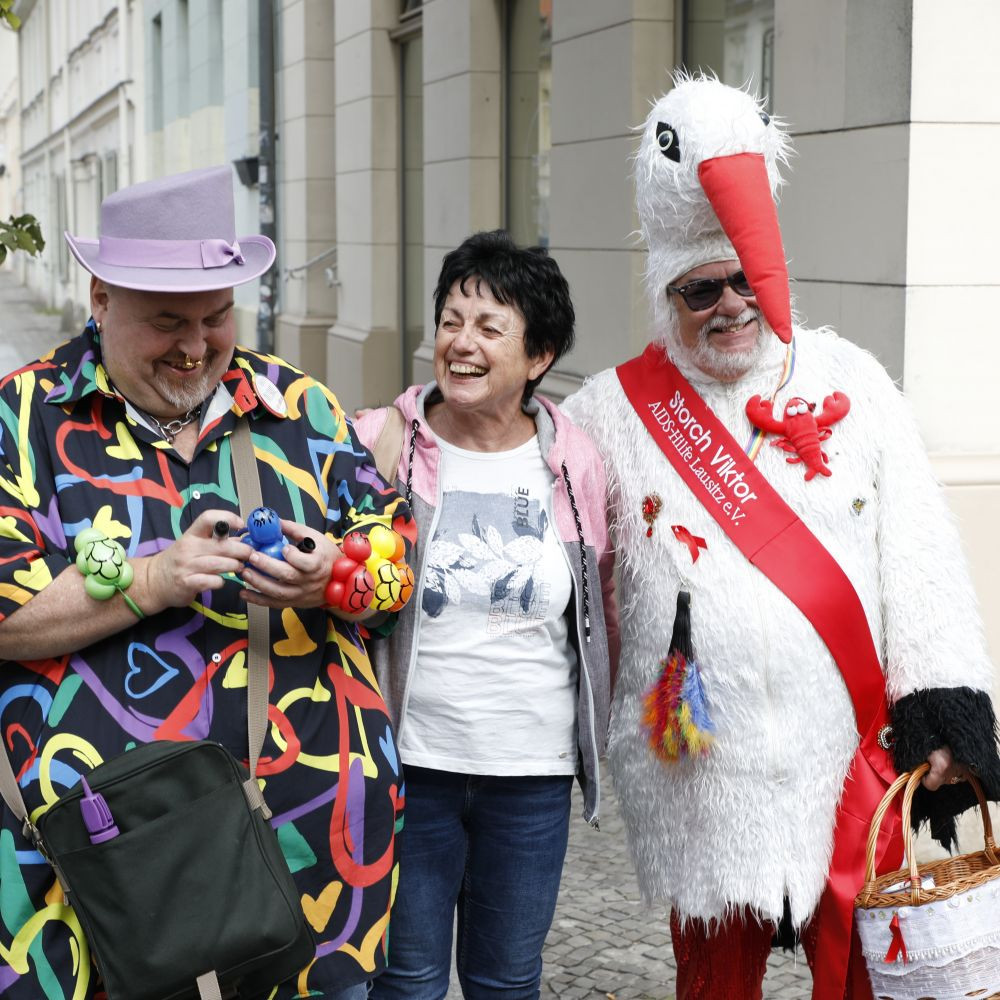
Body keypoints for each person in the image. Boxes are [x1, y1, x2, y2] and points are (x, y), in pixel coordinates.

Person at [561, 74, 1000, 1000]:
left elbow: (918, 559)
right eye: (700, 289)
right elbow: (565, 569)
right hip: (702, 780)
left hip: (851, 755)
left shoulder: (856, 380)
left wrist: (945, 710)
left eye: (747, 281)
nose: (729, 305)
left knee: (871, 976)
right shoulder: (607, 413)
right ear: (665, 294)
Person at [0, 166, 414, 1000]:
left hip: (313, 853)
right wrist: (152, 580)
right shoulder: (24, 417)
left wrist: (334, 576)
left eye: (216, 316)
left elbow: (393, 555)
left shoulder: (297, 405)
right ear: (100, 300)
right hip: (99, 871)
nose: (196, 346)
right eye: (166, 322)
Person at [354, 229, 617, 1000]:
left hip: (530, 774)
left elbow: (600, 600)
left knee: (507, 981)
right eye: (451, 320)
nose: (461, 344)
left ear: (538, 356)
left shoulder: (575, 461)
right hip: (410, 764)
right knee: (403, 982)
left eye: (489, 327)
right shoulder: (381, 441)